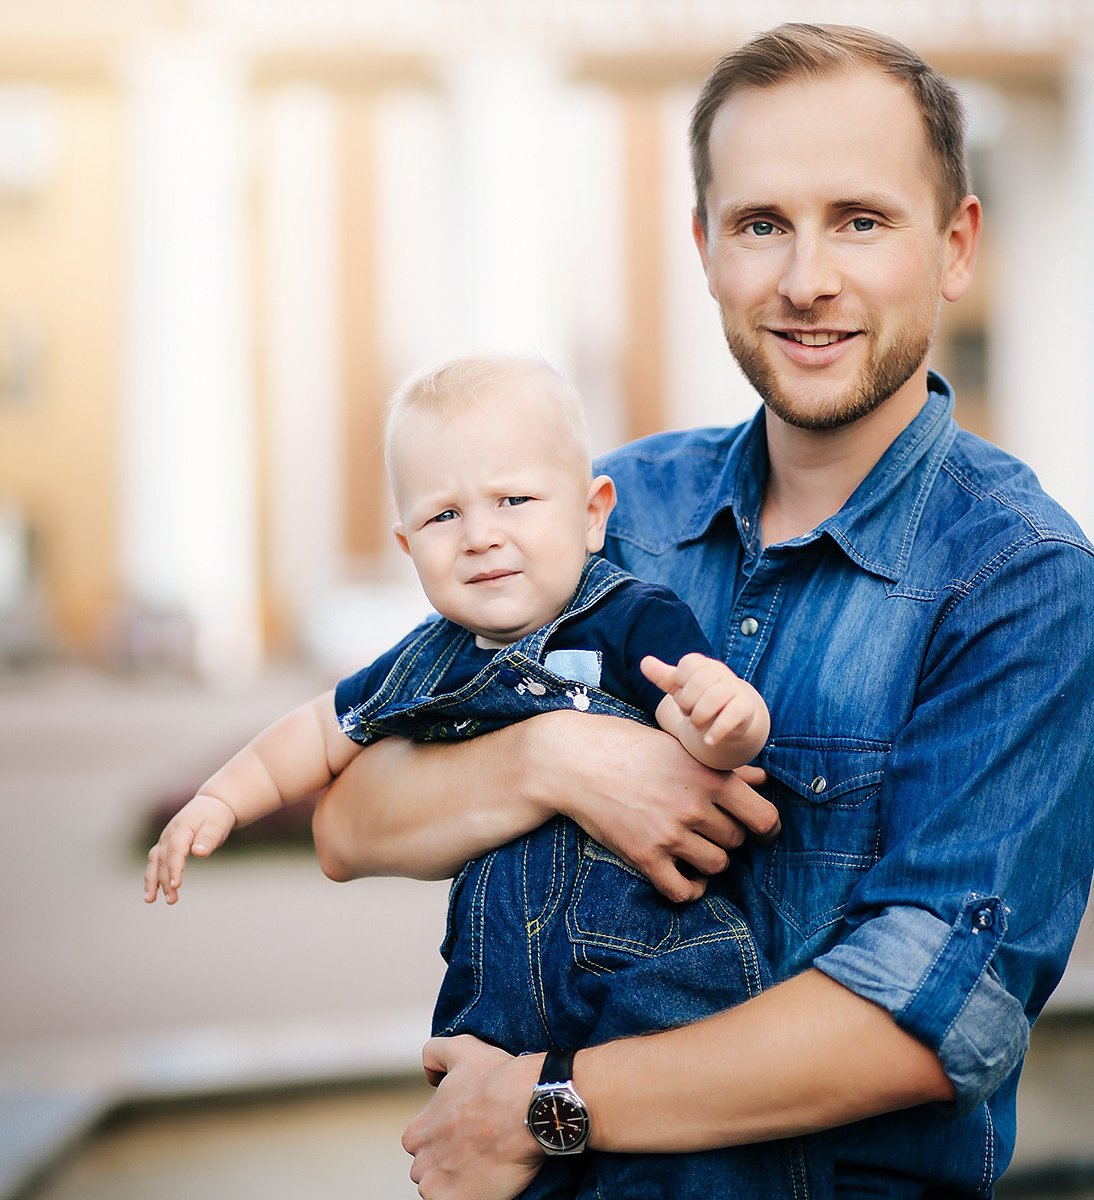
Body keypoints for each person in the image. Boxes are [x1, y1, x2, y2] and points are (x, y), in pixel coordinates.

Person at [310, 22, 1094, 1200]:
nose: (806, 278)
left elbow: (930, 1018)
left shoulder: (1022, 580)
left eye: (861, 221)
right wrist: (556, 759)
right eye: (761, 223)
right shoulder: (609, 514)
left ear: (955, 246)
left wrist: (547, 1105)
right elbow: (350, 820)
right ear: (705, 247)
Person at [144, 355, 824, 1196]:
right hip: (497, 1002)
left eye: (514, 500)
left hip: (650, 980)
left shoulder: (627, 617)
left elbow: (698, 717)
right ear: (408, 546)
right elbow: (319, 733)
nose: (480, 535)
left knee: (673, 1173)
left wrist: (728, 719)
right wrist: (221, 797)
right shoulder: (426, 661)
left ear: (591, 515)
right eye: (443, 515)